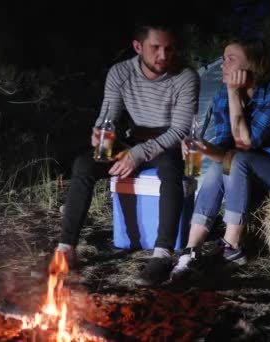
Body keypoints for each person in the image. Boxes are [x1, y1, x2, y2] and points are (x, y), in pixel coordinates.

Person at [54, 22, 199, 286]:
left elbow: (179, 129)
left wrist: (140, 154)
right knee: (84, 163)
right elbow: (108, 116)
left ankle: (162, 254)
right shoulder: (120, 73)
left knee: (170, 169)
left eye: (169, 48)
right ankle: (66, 249)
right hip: (132, 140)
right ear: (138, 46)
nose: (163, 56)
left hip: (167, 144)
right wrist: (99, 132)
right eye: (155, 48)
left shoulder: (185, 75)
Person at [171, 37, 270, 279]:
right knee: (218, 167)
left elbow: (245, 144)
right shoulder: (221, 99)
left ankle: (232, 246)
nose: (223, 65)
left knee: (237, 159)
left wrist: (233, 93)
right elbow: (226, 147)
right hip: (247, 175)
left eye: (231, 59)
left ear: (253, 65)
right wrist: (202, 147)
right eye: (224, 58)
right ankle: (191, 249)